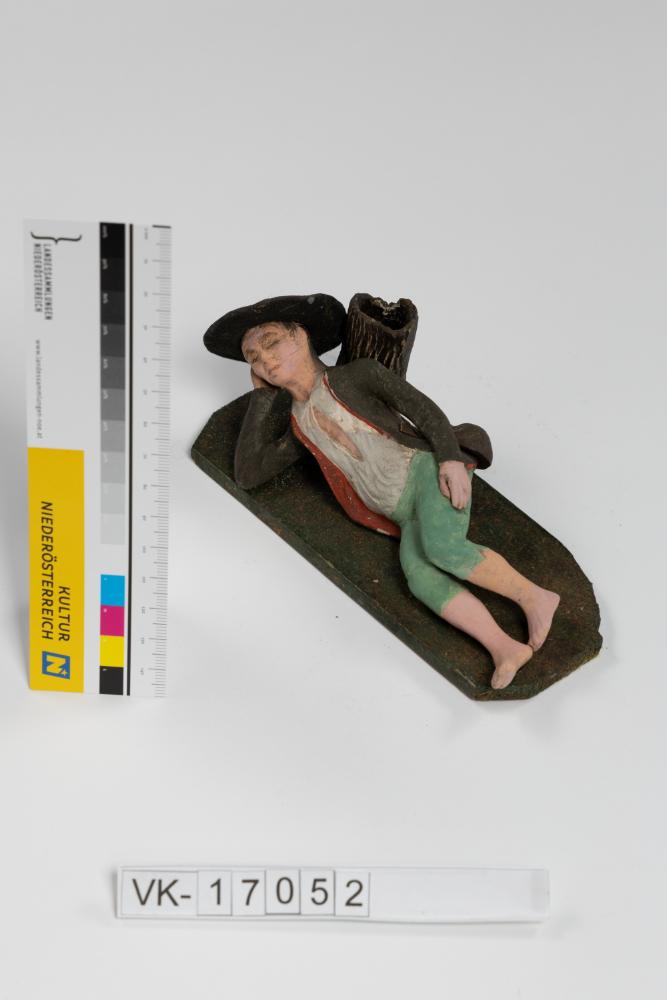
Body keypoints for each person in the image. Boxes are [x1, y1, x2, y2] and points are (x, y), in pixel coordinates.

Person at [204, 293, 560, 690]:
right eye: (253, 358)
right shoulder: (299, 424)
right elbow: (249, 473)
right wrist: (261, 398)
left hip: (425, 473)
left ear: (301, 337)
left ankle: (534, 597)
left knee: (443, 548)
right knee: (421, 579)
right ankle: (504, 648)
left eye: (271, 343)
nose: (265, 360)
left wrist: (449, 459)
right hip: (399, 513)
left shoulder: (357, 376)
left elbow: (421, 408)